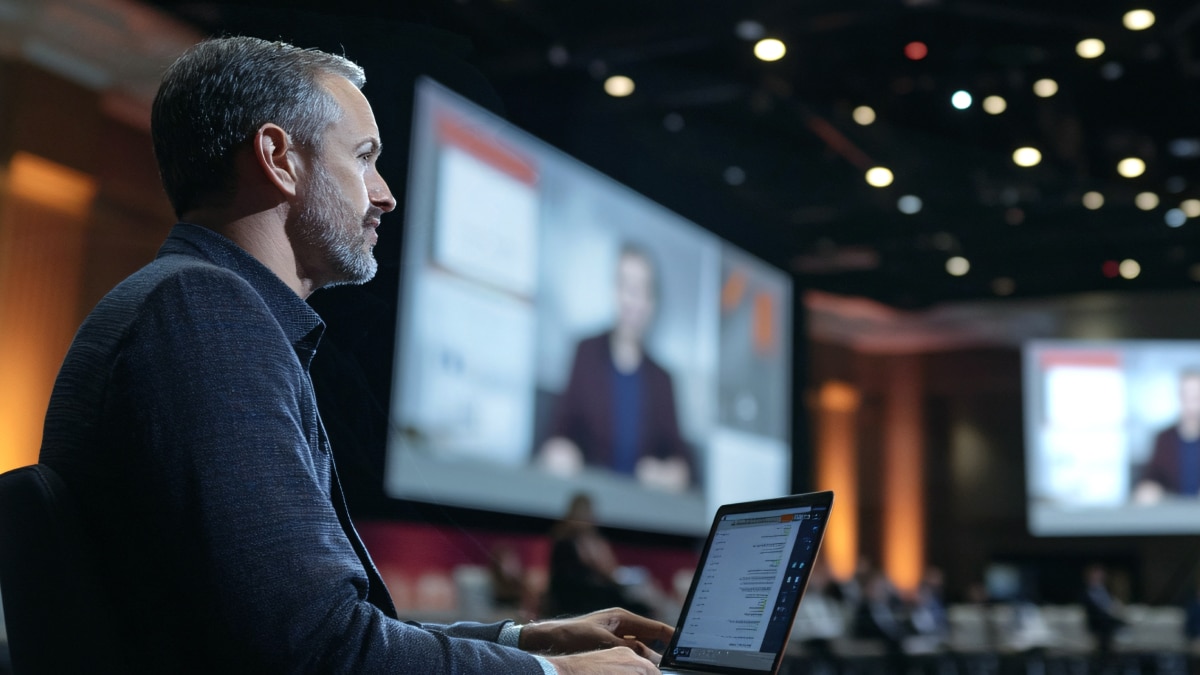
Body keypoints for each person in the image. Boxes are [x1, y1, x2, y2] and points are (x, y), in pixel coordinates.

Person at [37, 36, 671, 674]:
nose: (385, 193)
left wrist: (529, 640)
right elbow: (316, 650)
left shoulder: (192, 305)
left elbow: (320, 627)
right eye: (365, 158)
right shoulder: (205, 318)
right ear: (279, 158)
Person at [537, 244, 694, 492]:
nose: (633, 299)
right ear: (615, 292)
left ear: (652, 302)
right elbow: (559, 432)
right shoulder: (585, 352)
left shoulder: (663, 380)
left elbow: (682, 463)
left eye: (642, 289)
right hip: (587, 504)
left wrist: (667, 474)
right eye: (627, 286)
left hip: (642, 515)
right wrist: (561, 451)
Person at [545, 493, 652, 619]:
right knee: (641, 608)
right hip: (584, 599)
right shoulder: (577, 541)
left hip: (582, 596)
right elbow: (606, 571)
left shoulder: (567, 537)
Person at [1134, 369, 1200, 503]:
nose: (1191, 405)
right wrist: (1149, 488)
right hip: (1172, 516)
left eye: (1196, 398)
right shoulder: (1164, 439)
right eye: (1185, 397)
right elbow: (1152, 477)